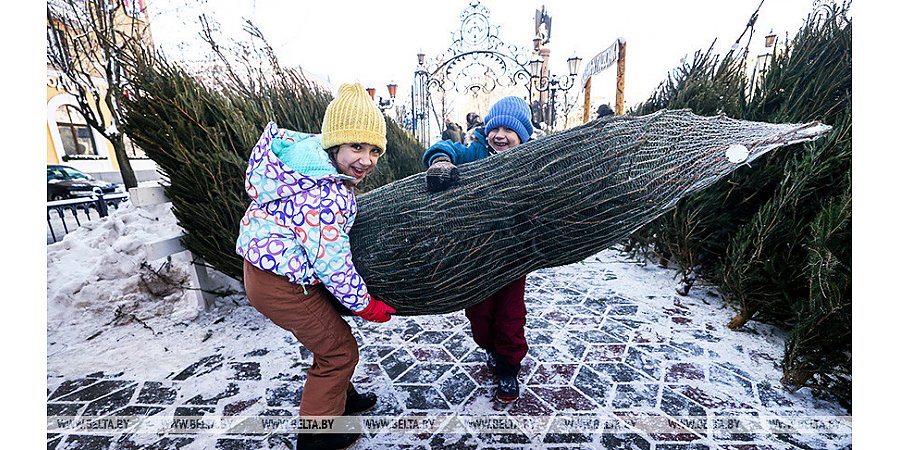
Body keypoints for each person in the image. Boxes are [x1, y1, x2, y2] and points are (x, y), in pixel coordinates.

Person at [236, 83, 396, 450]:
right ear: (335, 144)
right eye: (357, 147)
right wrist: (364, 304)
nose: (367, 160)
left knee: (330, 337)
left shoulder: (307, 166)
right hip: (282, 284)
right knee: (339, 351)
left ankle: (340, 400)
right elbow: (331, 262)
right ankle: (318, 436)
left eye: (374, 150)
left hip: (267, 271)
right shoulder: (324, 193)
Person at [422, 96, 534, 403]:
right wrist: (441, 161)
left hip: (513, 255)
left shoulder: (530, 163)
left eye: (509, 130)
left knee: (510, 314)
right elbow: (445, 148)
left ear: (523, 135)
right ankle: (490, 347)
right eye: (494, 128)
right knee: (479, 314)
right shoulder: (475, 153)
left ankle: (509, 366)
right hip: (475, 255)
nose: (500, 135)